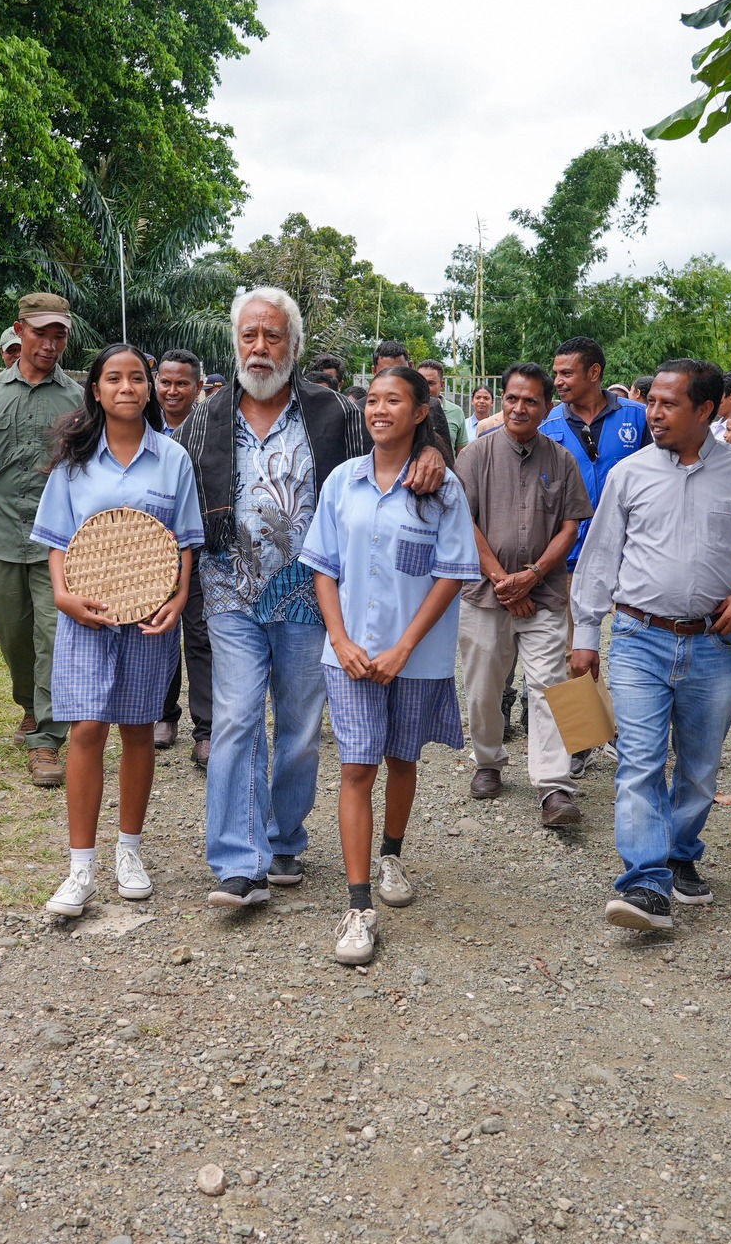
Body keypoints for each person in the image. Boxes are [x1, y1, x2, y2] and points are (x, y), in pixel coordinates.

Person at [179, 288, 446, 908]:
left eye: (272, 336)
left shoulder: (333, 411)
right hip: (228, 590)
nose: (259, 347)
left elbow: (397, 435)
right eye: (249, 335)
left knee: (300, 727)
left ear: (293, 346)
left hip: (312, 594)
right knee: (237, 717)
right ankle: (238, 862)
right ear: (235, 343)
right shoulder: (205, 415)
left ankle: (283, 841)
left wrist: (432, 447)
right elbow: (176, 482)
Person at [571, 359, 731, 931]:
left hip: (712, 644)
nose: (653, 413)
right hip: (638, 638)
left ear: (705, 410)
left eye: (668, 404)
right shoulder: (629, 474)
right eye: (651, 401)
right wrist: (585, 634)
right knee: (640, 762)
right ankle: (645, 882)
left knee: (699, 768)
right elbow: (600, 557)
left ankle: (680, 853)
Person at [305, 365, 477, 964]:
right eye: (373, 399)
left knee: (403, 758)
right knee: (357, 767)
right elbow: (323, 566)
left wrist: (404, 647)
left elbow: (452, 573)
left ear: (421, 412)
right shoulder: (342, 482)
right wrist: (340, 639)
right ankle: (358, 906)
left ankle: (392, 855)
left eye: (394, 400)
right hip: (350, 654)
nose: (379, 410)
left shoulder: (442, 489)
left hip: (417, 656)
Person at [34, 345, 202, 917]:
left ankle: (129, 851)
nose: (126, 387)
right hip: (86, 615)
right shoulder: (75, 462)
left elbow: (185, 540)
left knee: (137, 729)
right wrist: (64, 597)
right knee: (86, 729)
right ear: (96, 390)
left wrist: (178, 596)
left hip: (150, 618)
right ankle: (80, 867)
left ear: (149, 389)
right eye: (113, 378)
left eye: (136, 378)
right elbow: (58, 539)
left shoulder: (173, 459)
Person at [0, 294, 84, 786]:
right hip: (0, 535)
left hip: (59, 543)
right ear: (20, 330)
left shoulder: (78, 399)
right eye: (41, 332)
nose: (50, 344)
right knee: (12, 633)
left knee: (54, 636)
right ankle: (29, 704)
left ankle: (46, 738)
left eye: (59, 335)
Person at [455, 363, 593, 824]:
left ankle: (554, 786)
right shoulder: (475, 456)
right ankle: (488, 761)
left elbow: (570, 528)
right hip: (484, 593)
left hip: (544, 594)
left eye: (530, 400)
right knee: (483, 687)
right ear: (502, 400)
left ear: (547, 407)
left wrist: (531, 576)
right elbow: (463, 524)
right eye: (512, 398)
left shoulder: (562, 460)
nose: (519, 408)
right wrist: (504, 582)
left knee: (549, 685)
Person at [541, 336, 649, 774]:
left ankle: (634, 735)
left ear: (594, 373)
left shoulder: (639, 418)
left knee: (638, 649)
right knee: (576, 652)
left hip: (636, 555)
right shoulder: (549, 423)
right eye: (556, 373)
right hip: (572, 557)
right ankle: (583, 741)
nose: (558, 381)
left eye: (566, 373)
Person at [155, 349, 212, 760]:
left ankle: (206, 729)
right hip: (151, 549)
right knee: (159, 629)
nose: (172, 391)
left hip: (201, 546)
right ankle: (163, 714)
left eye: (182, 384)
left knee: (200, 634)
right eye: (166, 382)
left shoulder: (214, 428)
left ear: (198, 387)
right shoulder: (139, 426)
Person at [416, 359, 470, 452]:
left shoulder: (456, 412)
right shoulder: (408, 411)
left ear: (442, 385)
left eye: (430, 383)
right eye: (421, 383)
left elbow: (462, 452)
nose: (425, 388)